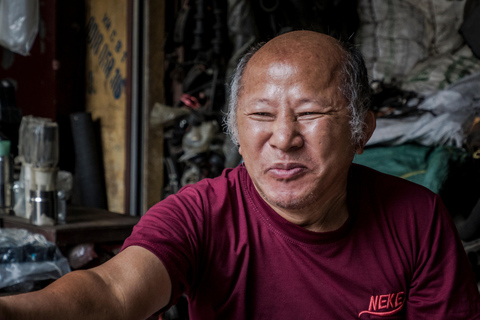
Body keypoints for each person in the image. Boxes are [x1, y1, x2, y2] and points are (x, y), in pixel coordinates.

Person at [1, 30, 479, 319]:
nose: (283, 137)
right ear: (234, 129)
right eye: (261, 115)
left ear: (361, 130)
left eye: (310, 113)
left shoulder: (416, 219)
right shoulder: (200, 215)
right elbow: (111, 291)